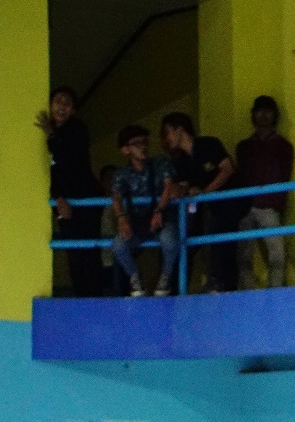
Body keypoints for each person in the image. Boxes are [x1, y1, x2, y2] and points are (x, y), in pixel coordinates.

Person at [38, 86, 106, 298]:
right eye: (58, 101)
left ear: (74, 110)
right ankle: (81, 296)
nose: (62, 106)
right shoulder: (54, 134)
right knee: (73, 253)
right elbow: (55, 171)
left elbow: (68, 160)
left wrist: (50, 134)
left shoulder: (77, 130)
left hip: (85, 200)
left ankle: (94, 298)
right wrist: (58, 198)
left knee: (88, 250)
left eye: (67, 103)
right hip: (65, 202)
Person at [162, 112, 239, 293]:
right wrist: (178, 190)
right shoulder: (181, 161)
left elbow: (228, 169)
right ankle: (176, 290)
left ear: (179, 130)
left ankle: (219, 282)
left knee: (219, 235)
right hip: (203, 209)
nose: (165, 139)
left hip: (226, 204)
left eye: (167, 133)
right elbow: (182, 187)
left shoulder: (208, 144)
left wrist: (204, 193)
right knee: (186, 239)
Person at [110, 125, 179, 297]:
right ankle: (135, 278)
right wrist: (121, 218)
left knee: (170, 241)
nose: (143, 147)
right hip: (137, 221)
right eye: (136, 143)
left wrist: (159, 210)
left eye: (145, 142)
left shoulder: (161, 163)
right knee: (118, 245)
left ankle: (165, 278)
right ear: (125, 150)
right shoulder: (121, 174)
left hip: (162, 219)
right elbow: (116, 197)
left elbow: (169, 186)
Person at [235, 96, 294, 289]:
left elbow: (284, 176)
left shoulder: (283, 146)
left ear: (275, 115)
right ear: (253, 115)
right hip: (245, 206)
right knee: (243, 256)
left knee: (277, 255)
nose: (263, 115)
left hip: (269, 206)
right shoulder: (244, 147)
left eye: (268, 111)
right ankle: (249, 294)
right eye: (259, 111)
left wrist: (278, 205)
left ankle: (274, 292)